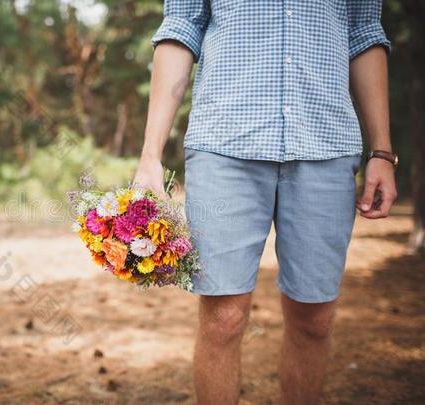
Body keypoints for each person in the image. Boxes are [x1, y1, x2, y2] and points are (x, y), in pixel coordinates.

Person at [133, 1, 397, 403]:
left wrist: (382, 151)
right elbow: (181, 27)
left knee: (315, 320)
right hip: (224, 146)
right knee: (223, 318)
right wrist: (150, 154)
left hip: (324, 145)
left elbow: (364, 34)